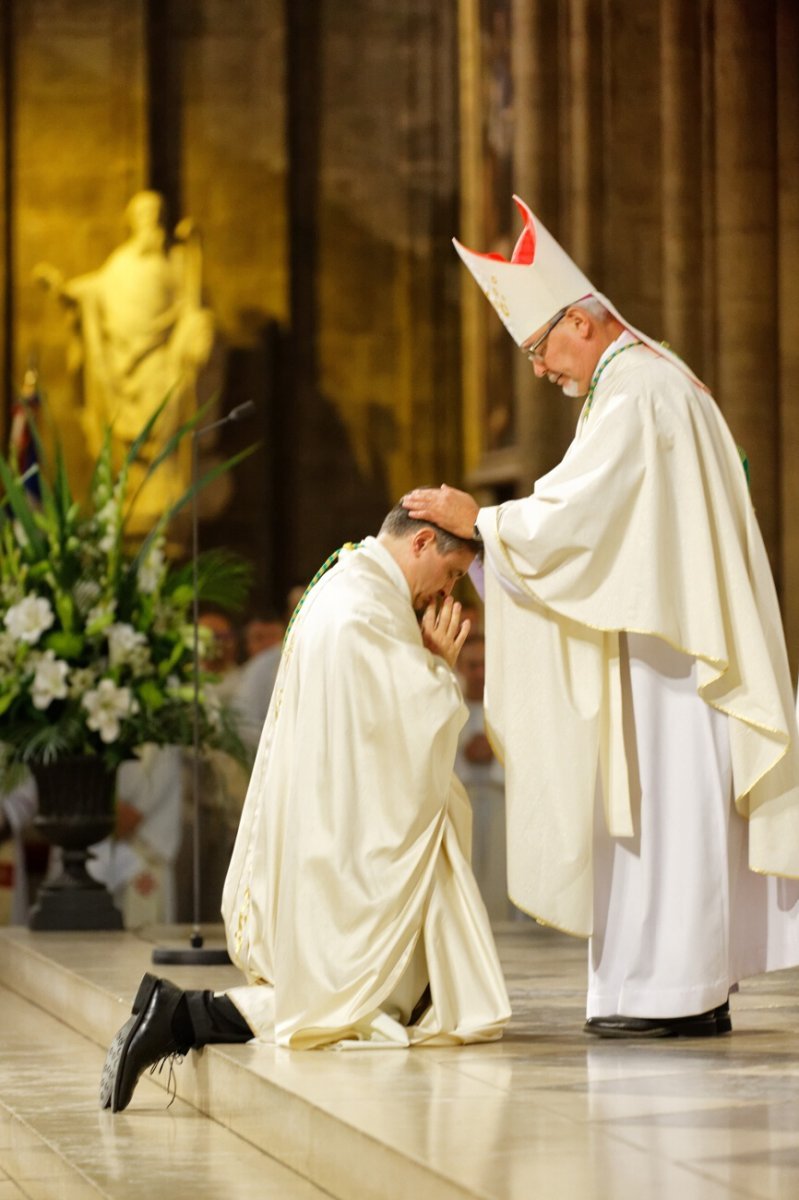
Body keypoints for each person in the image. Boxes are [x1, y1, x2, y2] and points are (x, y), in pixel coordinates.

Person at [404, 195, 799, 1039]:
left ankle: (668, 989)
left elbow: (580, 518)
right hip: (659, 637)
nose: (541, 370)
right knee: (661, 810)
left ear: (581, 322)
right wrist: (488, 545)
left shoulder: (640, 390)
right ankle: (675, 985)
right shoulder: (644, 380)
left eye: (541, 348)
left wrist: (481, 526)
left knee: (662, 809)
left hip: (665, 653)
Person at [100, 495, 511, 1113]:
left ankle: (179, 1012)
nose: (445, 592)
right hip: (345, 846)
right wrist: (438, 671)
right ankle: (182, 1013)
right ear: (422, 543)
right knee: (347, 1005)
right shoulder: (367, 611)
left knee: (376, 995)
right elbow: (408, 730)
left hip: (331, 825)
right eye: (451, 575)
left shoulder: (352, 580)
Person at [454, 634, 513, 921]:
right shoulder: (446, 706)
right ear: (459, 668)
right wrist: (464, 756)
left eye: (484, 665)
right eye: (471, 665)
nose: (478, 673)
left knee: (499, 887)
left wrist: (495, 756)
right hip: (458, 807)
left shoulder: (509, 709)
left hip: (501, 805)